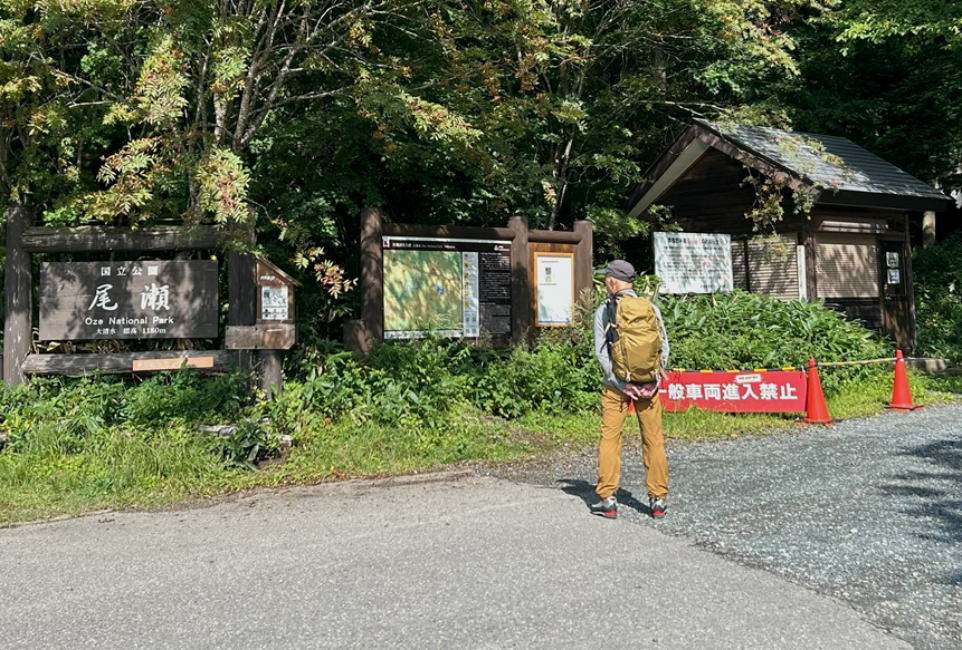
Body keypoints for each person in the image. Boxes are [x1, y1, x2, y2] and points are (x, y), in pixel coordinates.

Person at [589, 260, 670, 519]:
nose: (604, 284)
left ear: (613, 281)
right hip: (649, 386)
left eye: (606, 280)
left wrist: (621, 382)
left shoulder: (605, 310)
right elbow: (663, 347)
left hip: (616, 388)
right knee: (653, 440)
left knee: (611, 439)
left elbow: (601, 353)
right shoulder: (650, 308)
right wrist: (653, 381)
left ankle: (608, 499)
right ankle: (658, 500)